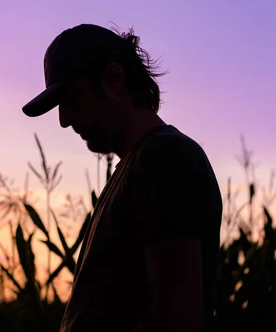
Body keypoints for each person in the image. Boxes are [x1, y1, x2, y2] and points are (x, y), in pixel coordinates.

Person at [22, 23, 223, 332]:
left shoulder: (165, 157)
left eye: (72, 100)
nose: (64, 120)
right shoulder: (138, 167)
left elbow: (176, 319)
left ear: (114, 80)